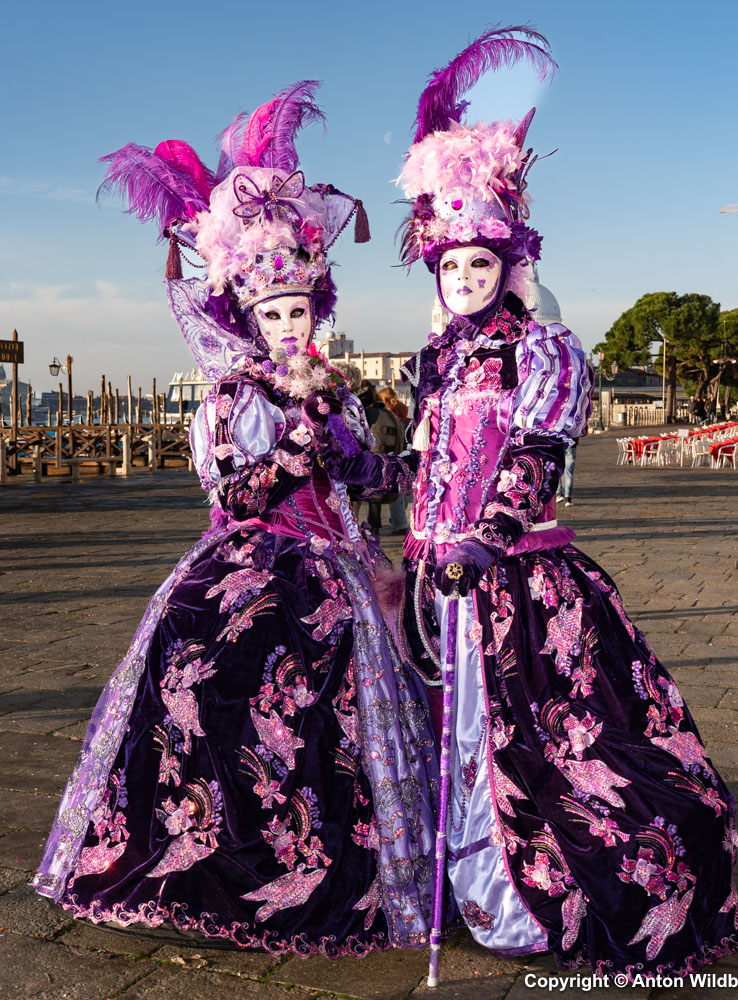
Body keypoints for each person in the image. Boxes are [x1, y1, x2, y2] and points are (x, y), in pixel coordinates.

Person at [319, 28, 738, 980]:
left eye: (479, 266)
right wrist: (357, 471)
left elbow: (532, 460)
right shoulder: (442, 360)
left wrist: (488, 537)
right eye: (450, 269)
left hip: (510, 581)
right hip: (433, 583)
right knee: (446, 736)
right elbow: (422, 468)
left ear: (506, 262)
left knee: (541, 746)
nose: (464, 281)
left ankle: (525, 894)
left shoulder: (540, 353)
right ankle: (465, 884)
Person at [31, 84, 437, 957]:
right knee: (206, 661)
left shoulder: (334, 391)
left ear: (316, 313)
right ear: (248, 318)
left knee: (366, 703)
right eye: (274, 315)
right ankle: (214, 864)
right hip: (256, 556)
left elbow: (367, 474)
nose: (289, 327)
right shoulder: (228, 397)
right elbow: (235, 494)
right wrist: (294, 441)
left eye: (299, 312)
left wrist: (422, 463)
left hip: (345, 559)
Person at [359, 380, 408, 537]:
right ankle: (377, 524)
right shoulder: (390, 415)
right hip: (391, 460)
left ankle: (374, 525)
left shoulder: (369, 413)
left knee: (372, 492)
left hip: (375, 461)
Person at [379, 386, 412, 534]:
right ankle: (399, 519)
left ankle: (400, 523)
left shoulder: (386, 414)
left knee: (395, 489)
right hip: (408, 451)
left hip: (393, 452)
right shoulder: (403, 408)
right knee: (405, 487)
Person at [556, 442, 577, 507]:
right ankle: (568, 499)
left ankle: (559, 494)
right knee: (569, 473)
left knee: (557, 471)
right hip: (570, 445)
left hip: (557, 446)